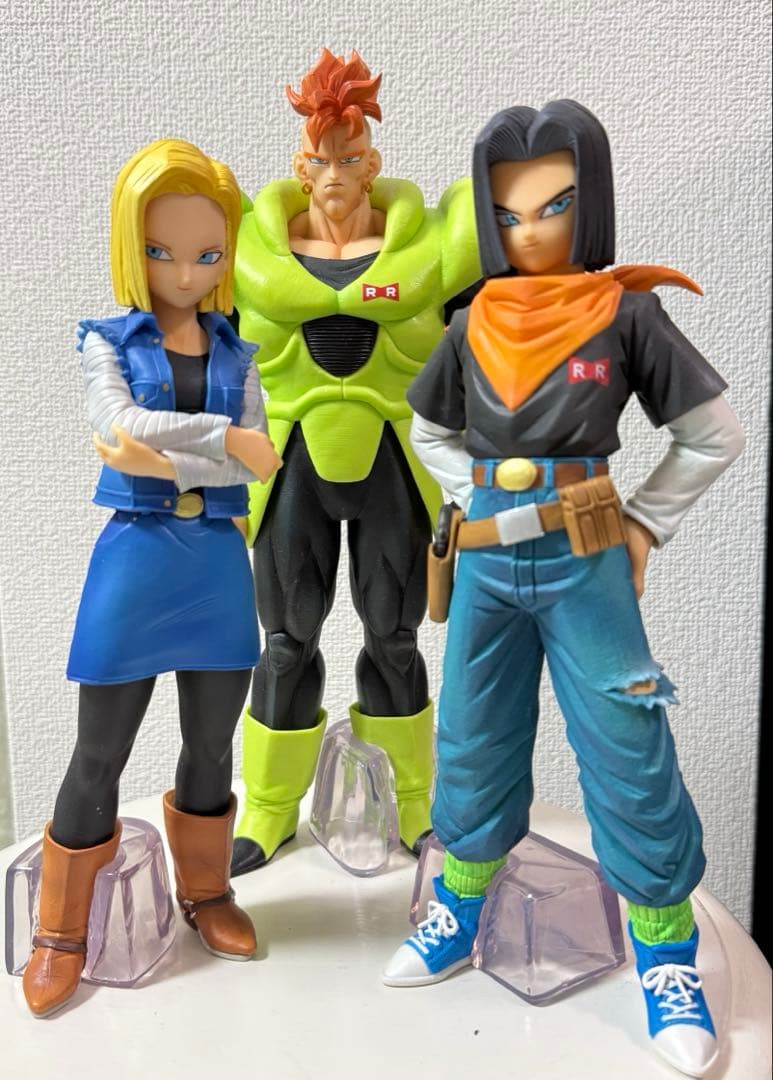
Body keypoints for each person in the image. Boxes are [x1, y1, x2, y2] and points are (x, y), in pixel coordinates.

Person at [382, 101, 744, 1079]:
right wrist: (471, 495)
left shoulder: (624, 312)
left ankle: (664, 953)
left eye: (554, 205)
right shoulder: (471, 322)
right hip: (487, 557)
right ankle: (456, 907)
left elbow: (712, 434)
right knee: (471, 730)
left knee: (625, 738)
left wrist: (643, 523)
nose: (530, 229)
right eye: (507, 212)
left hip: (585, 546)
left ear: (591, 203)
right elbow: (427, 430)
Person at [22, 138, 281, 1017]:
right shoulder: (106, 340)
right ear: (132, 248)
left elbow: (257, 459)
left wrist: (170, 459)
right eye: (162, 251)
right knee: (99, 749)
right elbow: (118, 422)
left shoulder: (239, 352)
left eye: (207, 254)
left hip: (215, 562)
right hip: (135, 558)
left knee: (211, 743)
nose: (184, 272)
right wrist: (222, 441)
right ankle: (60, 926)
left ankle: (206, 891)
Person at [230, 49, 480, 876]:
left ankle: (414, 801)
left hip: (394, 461)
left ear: (372, 164)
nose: (334, 175)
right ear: (299, 167)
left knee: (395, 638)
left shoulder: (432, 246)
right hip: (289, 460)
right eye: (321, 159)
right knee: (283, 641)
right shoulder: (246, 248)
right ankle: (268, 808)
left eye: (349, 158)